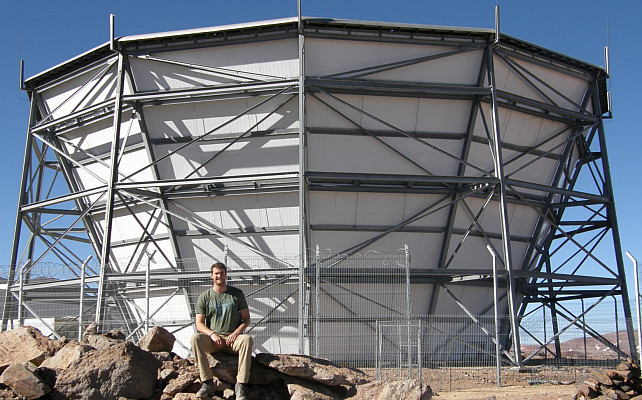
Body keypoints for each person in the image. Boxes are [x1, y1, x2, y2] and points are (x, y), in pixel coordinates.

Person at [191, 262, 253, 399]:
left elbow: (246, 319)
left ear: (225, 274)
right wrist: (212, 334)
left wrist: (236, 333)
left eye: (222, 273)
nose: (219, 276)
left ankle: (241, 384)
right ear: (211, 276)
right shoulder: (205, 297)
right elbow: (199, 324)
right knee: (195, 338)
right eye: (216, 273)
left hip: (233, 340)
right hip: (213, 341)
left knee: (247, 340)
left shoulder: (236, 294)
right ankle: (207, 382)